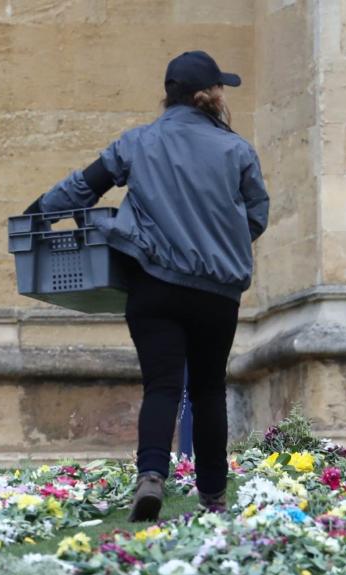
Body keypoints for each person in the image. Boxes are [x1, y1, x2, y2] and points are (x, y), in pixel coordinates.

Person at [31, 51, 269, 521]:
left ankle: (151, 478)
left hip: (154, 287)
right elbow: (257, 217)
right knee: (207, 389)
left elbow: (84, 187)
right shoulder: (238, 150)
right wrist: (220, 239)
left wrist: (35, 211)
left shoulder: (139, 142)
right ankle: (214, 497)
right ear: (213, 95)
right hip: (217, 294)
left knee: (161, 386)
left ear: (169, 94)